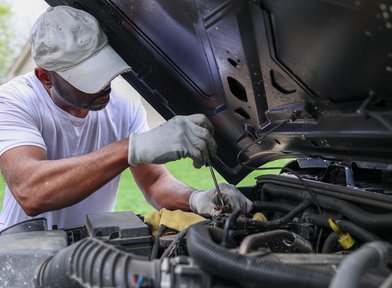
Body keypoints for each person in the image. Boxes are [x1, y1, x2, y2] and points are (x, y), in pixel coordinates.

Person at [0, 6, 252, 230]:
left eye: (103, 67)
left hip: (91, 248)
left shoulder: (123, 106)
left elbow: (155, 182)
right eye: (86, 77)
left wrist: (195, 198)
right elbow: (30, 191)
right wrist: (132, 147)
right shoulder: (13, 101)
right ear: (45, 77)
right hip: (23, 250)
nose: (104, 85)